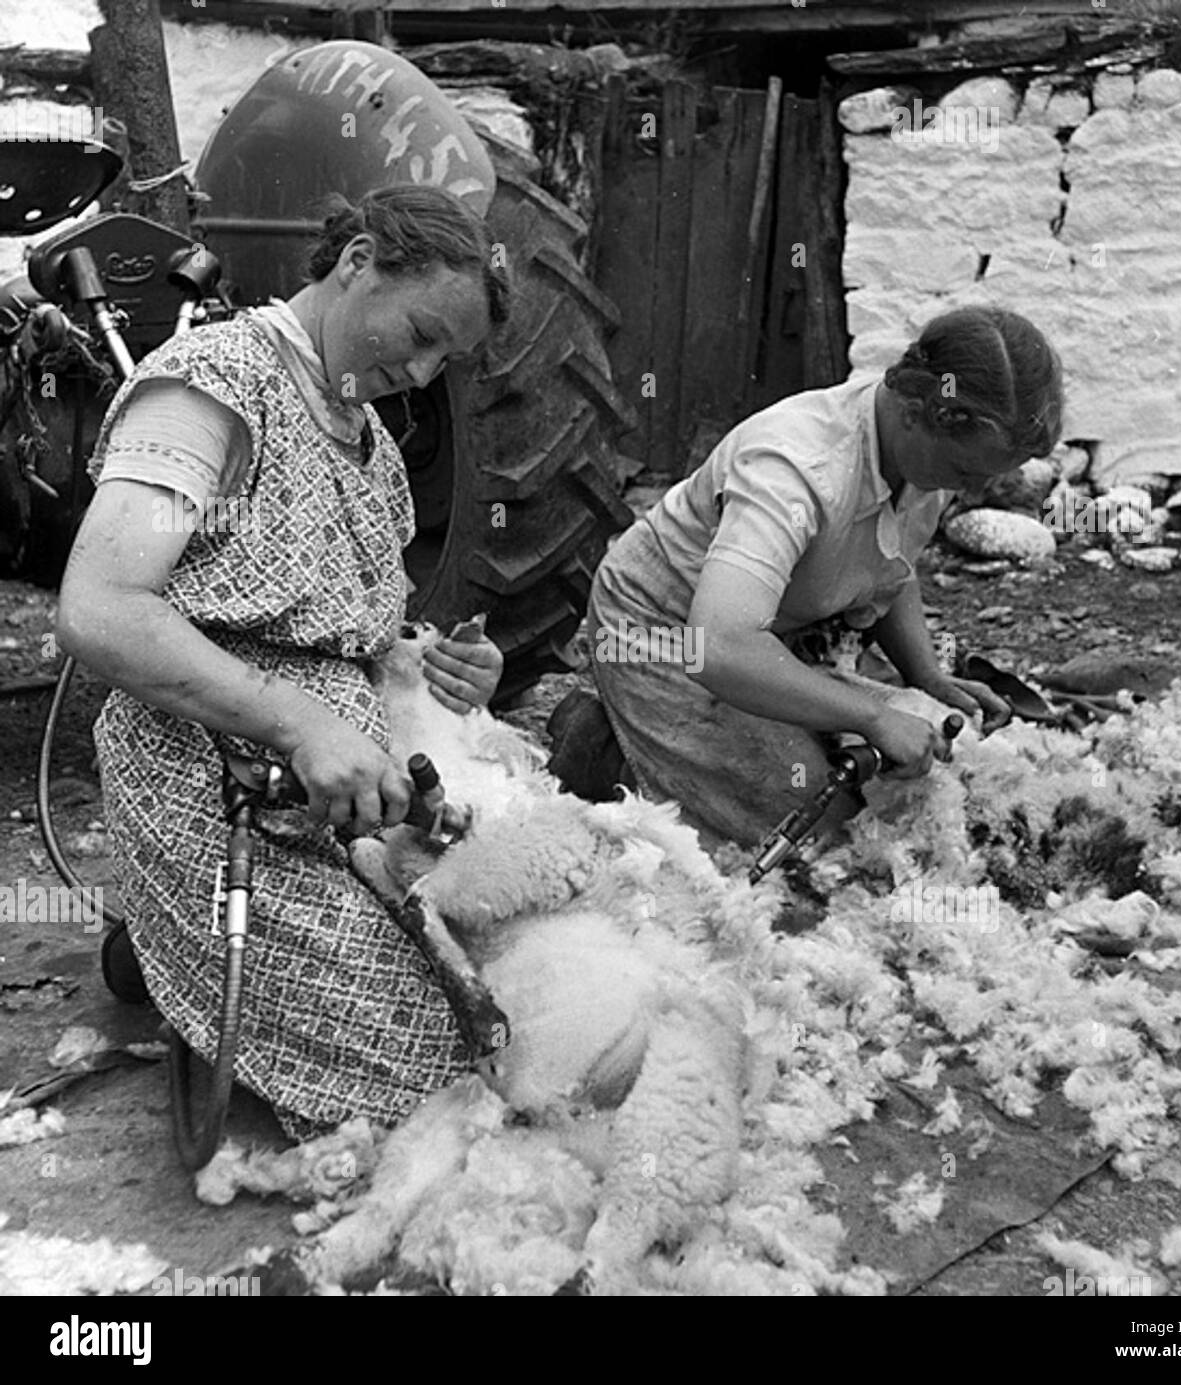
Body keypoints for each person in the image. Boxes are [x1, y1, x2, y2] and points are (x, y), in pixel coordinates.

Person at [55, 184, 510, 1138]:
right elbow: (99, 609)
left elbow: (339, 623)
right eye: (421, 331)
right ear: (357, 264)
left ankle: (157, 951)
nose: (424, 372)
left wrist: (427, 664)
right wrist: (299, 721)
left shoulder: (371, 444)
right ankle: (171, 938)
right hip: (213, 776)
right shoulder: (214, 381)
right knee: (431, 1071)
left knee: (503, 987)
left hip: (345, 791)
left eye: (445, 359)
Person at [586, 305, 1064, 849]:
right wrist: (872, 714)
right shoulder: (794, 469)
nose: (973, 490)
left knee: (919, 782)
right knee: (821, 832)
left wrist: (926, 677)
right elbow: (718, 646)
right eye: (965, 473)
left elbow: (889, 560)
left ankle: (664, 749)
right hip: (667, 629)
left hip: (772, 627)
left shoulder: (920, 446)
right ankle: (605, 749)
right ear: (913, 411)